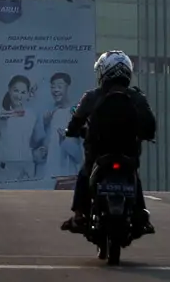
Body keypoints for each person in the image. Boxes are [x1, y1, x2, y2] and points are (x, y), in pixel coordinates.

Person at [59, 50, 156, 234]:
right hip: (128, 153)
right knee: (134, 176)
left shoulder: (92, 96)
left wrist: (72, 131)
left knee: (84, 174)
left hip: (98, 153)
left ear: (103, 72)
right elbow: (150, 125)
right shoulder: (137, 97)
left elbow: (75, 122)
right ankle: (141, 214)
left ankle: (79, 214)